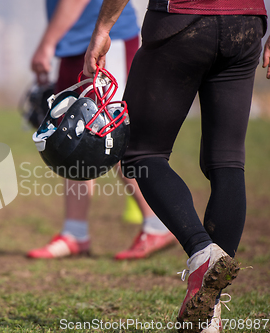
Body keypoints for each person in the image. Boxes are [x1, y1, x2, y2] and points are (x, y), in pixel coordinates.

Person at [84, 0, 266, 331]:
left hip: (182, 19)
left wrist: (103, 28)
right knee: (228, 161)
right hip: (247, 21)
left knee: (140, 153)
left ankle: (200, 252)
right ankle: (208, 312)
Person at [26, 0, 176, 260]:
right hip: (75, 43)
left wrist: (47, 43)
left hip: (105, 41)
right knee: (71, 137)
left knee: (108, 135)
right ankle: (75, 233)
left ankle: (157, 225)